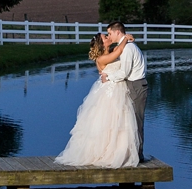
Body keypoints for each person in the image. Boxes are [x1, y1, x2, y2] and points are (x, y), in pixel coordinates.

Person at [55, 31, 140, 167]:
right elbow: (118, 53)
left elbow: (118, 51)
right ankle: (104, 153)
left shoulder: (111, 51)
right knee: (108, 122)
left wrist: (124, 39)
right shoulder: (101, 58)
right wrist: (126, 39)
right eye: (105, 37)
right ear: (102, 44)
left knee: (120, 122)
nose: (108, 37)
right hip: (109, 93)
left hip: (119, 90)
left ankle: (120, 152)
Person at [101, 21, 149, 160]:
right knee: (131, 121)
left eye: (110, 33)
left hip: (136, 85)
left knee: (137, 121)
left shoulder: (128, 48)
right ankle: (132, 153)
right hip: (134, 85)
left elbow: (124, 72)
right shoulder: (125, 47)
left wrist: (108, 77)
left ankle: (138, 155)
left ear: (117, 32)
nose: (109, 36)